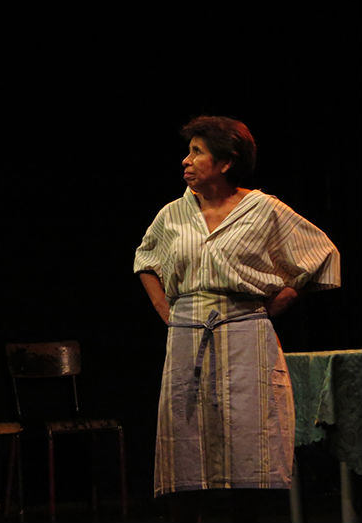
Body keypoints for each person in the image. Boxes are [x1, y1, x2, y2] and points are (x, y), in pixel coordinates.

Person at [134, 115, 340, 522]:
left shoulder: (263, 209)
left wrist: (286, 297)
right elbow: (145, 260)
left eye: (197, 152)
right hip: (188, 334)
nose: (186, 160)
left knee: (250, 441)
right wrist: (165, 310)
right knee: (190, 444)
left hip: (244, 332)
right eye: (188, 151)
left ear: (226, 162)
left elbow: (323, 254)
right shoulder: (173, 213)